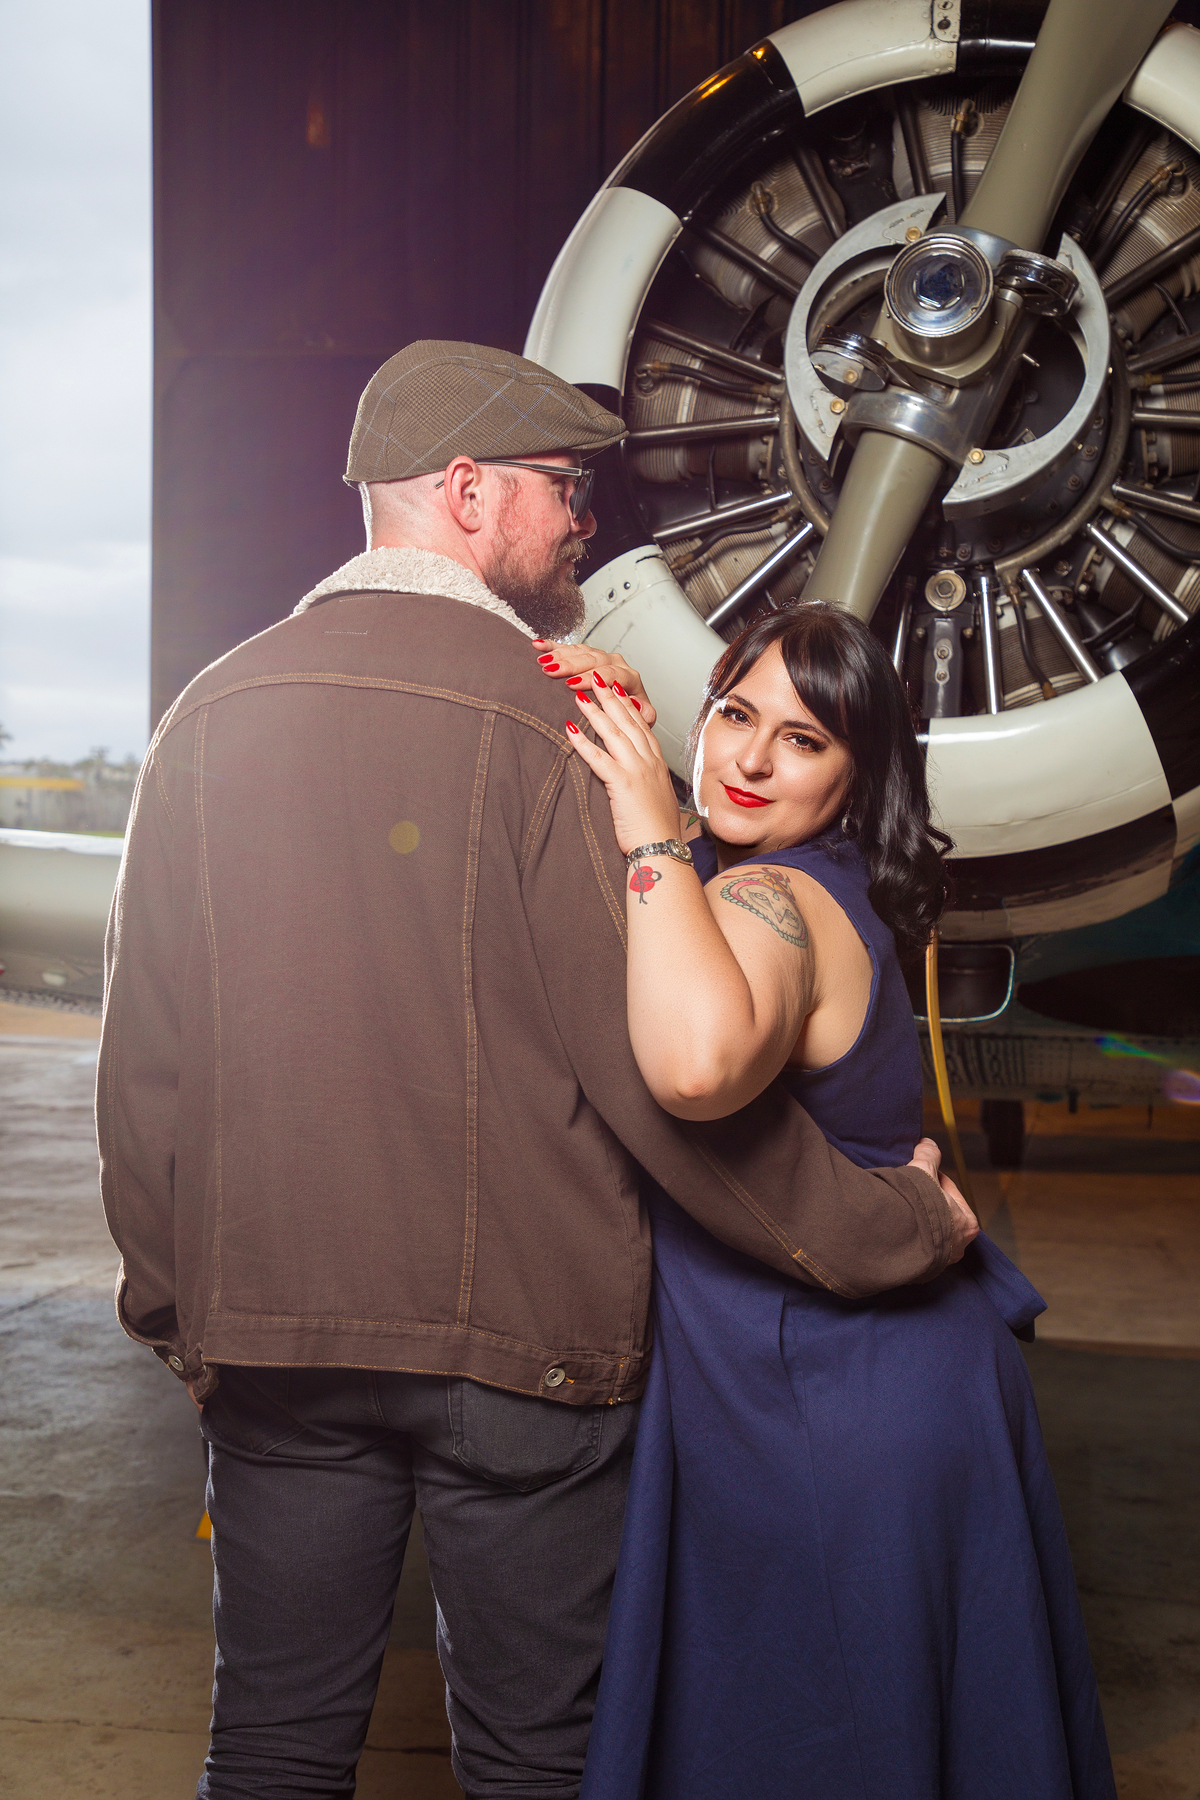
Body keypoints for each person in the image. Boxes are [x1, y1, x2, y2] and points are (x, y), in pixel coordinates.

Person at [97, 341, 975, 1800]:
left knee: (269, 1747)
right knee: (533, 1761)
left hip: (275, 1343)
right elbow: (672, 1098)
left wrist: (182, 1316)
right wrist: (899, 1225)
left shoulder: (206, 713)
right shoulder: (569, 727)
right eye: (565, 489)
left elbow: (147, 1072)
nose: (586, 523)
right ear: (468, 494)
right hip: (527, 1361)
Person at [549, 602, 1114, 1800]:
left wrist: (649, 827)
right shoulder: (775, 877)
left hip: (831, 1404)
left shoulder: (775, 900)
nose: (751, 759)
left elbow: (697, 1065)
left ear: (857, 778)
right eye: (735, 715)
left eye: (804, 740)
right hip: (854, 1385)